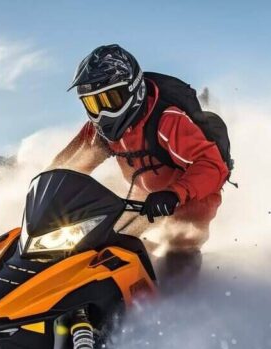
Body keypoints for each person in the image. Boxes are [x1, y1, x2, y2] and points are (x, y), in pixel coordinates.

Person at [50, 44, 231, 280]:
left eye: (111, 99)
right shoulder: (101, 131)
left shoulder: (167, 120)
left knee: (177, 249)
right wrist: (44, 190)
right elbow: (67, 165)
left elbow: (211, 165)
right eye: (94, 104)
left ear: (132, 90)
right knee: (106, 240)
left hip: (192, 195)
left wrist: (175, 194)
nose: (103, 113)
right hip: (147, 197)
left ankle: (179, 303)